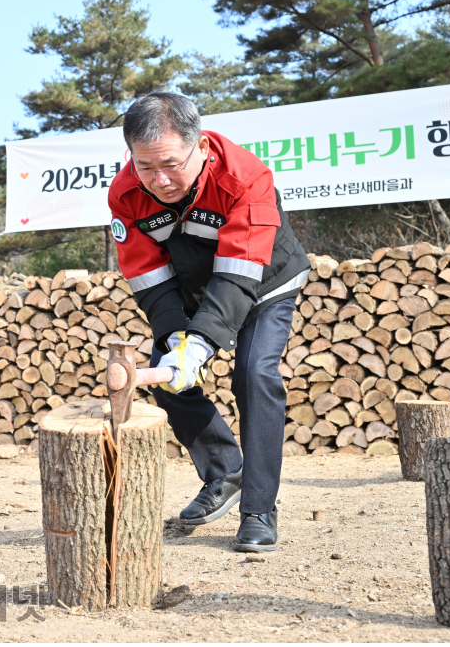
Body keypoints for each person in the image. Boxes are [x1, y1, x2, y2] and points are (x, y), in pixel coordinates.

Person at [107, 92, 310, 553]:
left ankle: (259, 507)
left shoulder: (245, 177)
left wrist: (198, 349)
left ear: (201, 146)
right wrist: (177, 339)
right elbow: (148, 276)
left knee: (254, 372)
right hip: (192, 288)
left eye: (172, 164)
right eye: (145, 167)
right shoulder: (124, 193)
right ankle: (223, 470)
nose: (160, 180)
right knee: (167, 380)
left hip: (263, 281)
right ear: (130, 157)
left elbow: (239, 273)